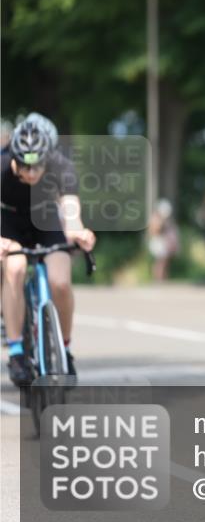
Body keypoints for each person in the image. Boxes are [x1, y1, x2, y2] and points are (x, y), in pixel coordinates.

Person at [0, 114, 97, 385]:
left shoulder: (60, 165)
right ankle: (17, 351)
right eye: (25, 167)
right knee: (16, 268)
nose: (31, 174)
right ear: (13, 159)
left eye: (37, 167)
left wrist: (77, 231)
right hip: (8, 221)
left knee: (61, 282)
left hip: (45, 218)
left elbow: (69, 207)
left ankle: (64, 349)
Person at [147, 198, 179, 282]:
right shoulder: (155, 218)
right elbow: (154, 231)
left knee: (164, 262)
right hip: (158, 242)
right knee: (160, 262)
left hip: (163, 242)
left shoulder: (162, 218)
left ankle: (162, 278)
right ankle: (158, 279)